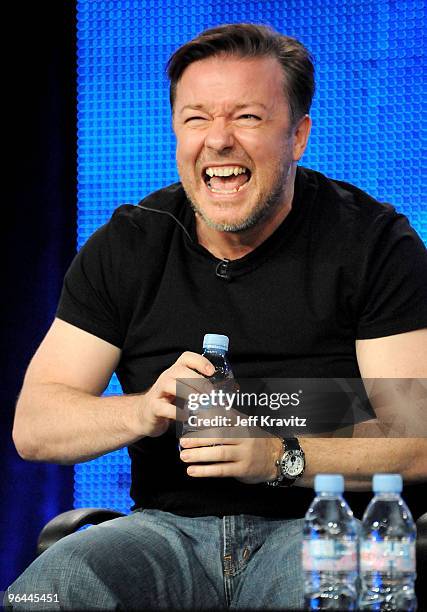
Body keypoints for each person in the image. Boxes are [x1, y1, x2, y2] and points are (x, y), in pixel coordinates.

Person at [5, 23, 427, 611]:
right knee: (49, 592)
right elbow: (35, 426)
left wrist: (276, 456)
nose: (218, 140)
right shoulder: (128, 244)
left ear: (298, 136)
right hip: (163, 532)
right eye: (196, 118)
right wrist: (143, 410)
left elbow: (418, 438)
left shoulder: (373, 242)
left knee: (334, 595)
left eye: (248, 117)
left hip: (315, 530)